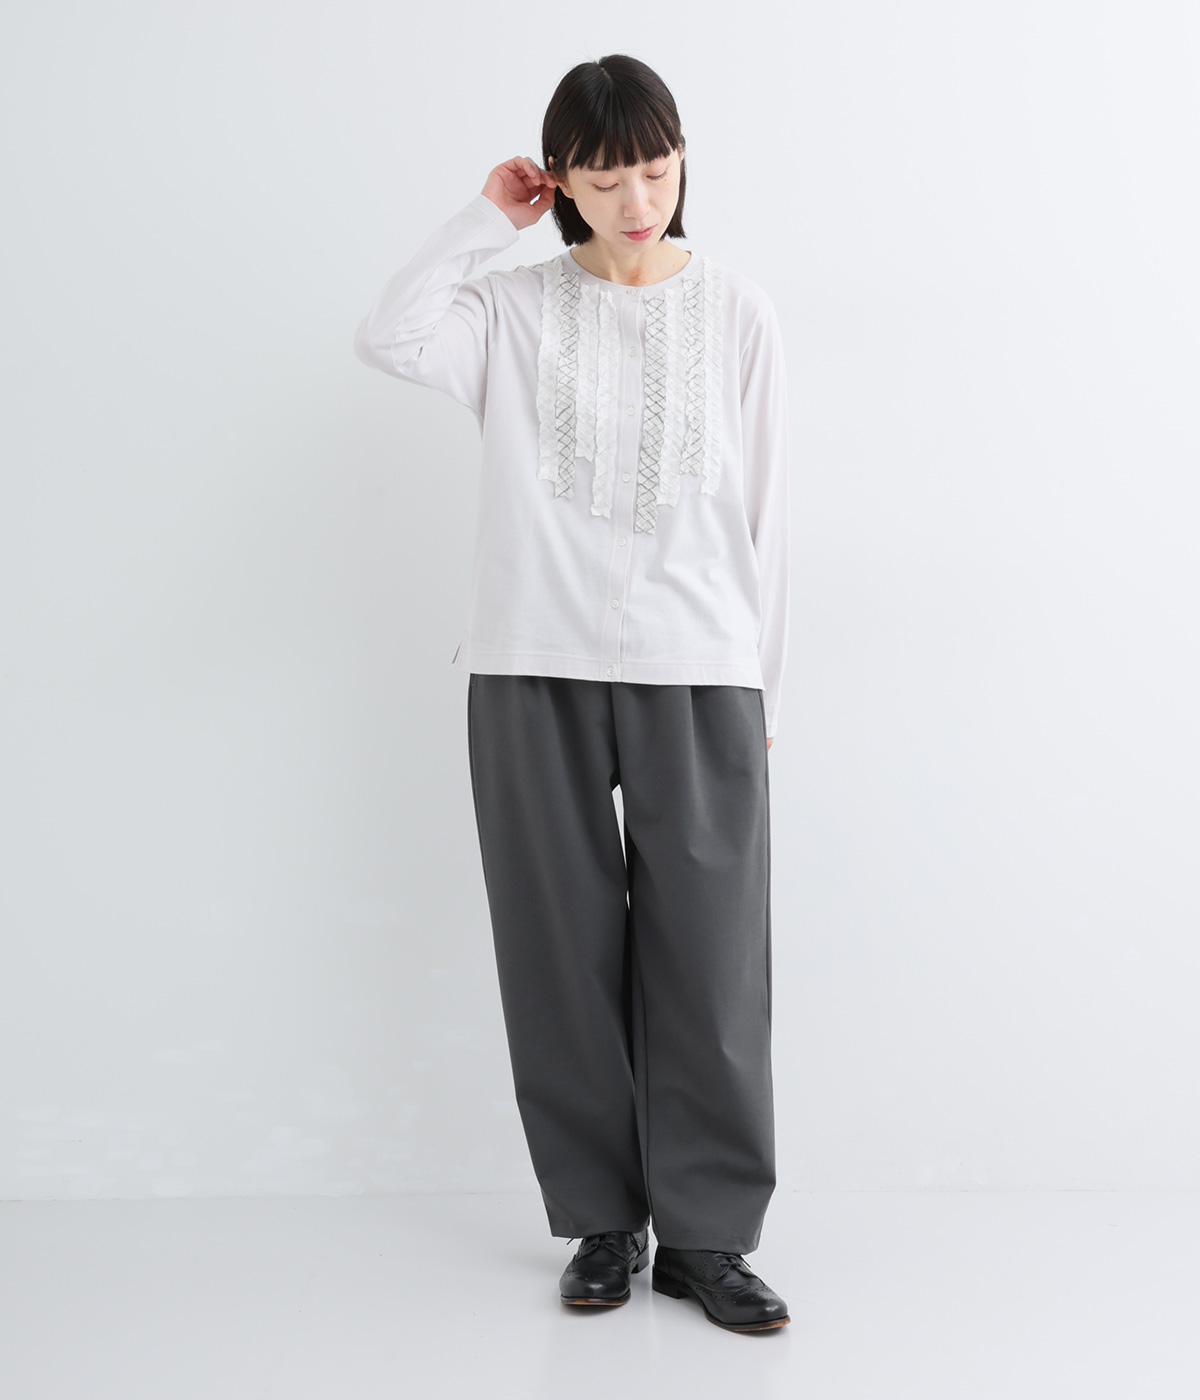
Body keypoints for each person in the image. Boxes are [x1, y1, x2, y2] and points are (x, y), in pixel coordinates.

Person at [353, 54, 791, 1334]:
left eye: (657, 169)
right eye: (605, 178)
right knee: (557, 952)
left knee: (712, 964)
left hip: (698, 664)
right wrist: (483, 219)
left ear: (682, 160)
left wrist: (765, 686)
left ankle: (708, 1237)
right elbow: (388, 335)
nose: (638, 199)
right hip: (528, 659)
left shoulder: (738, 311)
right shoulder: (509, 309)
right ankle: (603, 1220)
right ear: (561, 182)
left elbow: (769, 515)